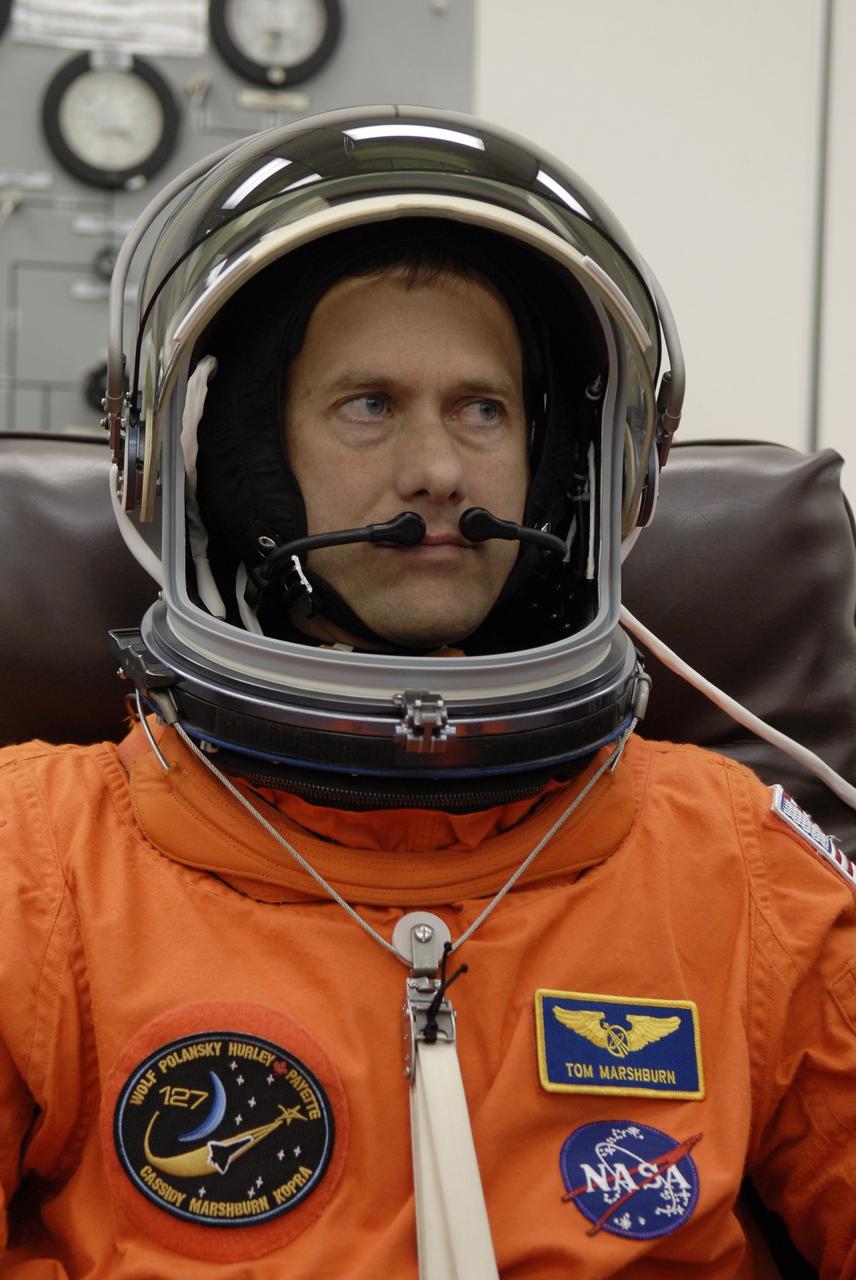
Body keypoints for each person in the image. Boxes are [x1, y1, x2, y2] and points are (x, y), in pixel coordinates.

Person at [1, 106, 854, 1279]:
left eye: (481, 409)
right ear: (240, 466)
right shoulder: (36, 866)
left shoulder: (741, 866)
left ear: (565, 467)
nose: (437, 471)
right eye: (368, 405)